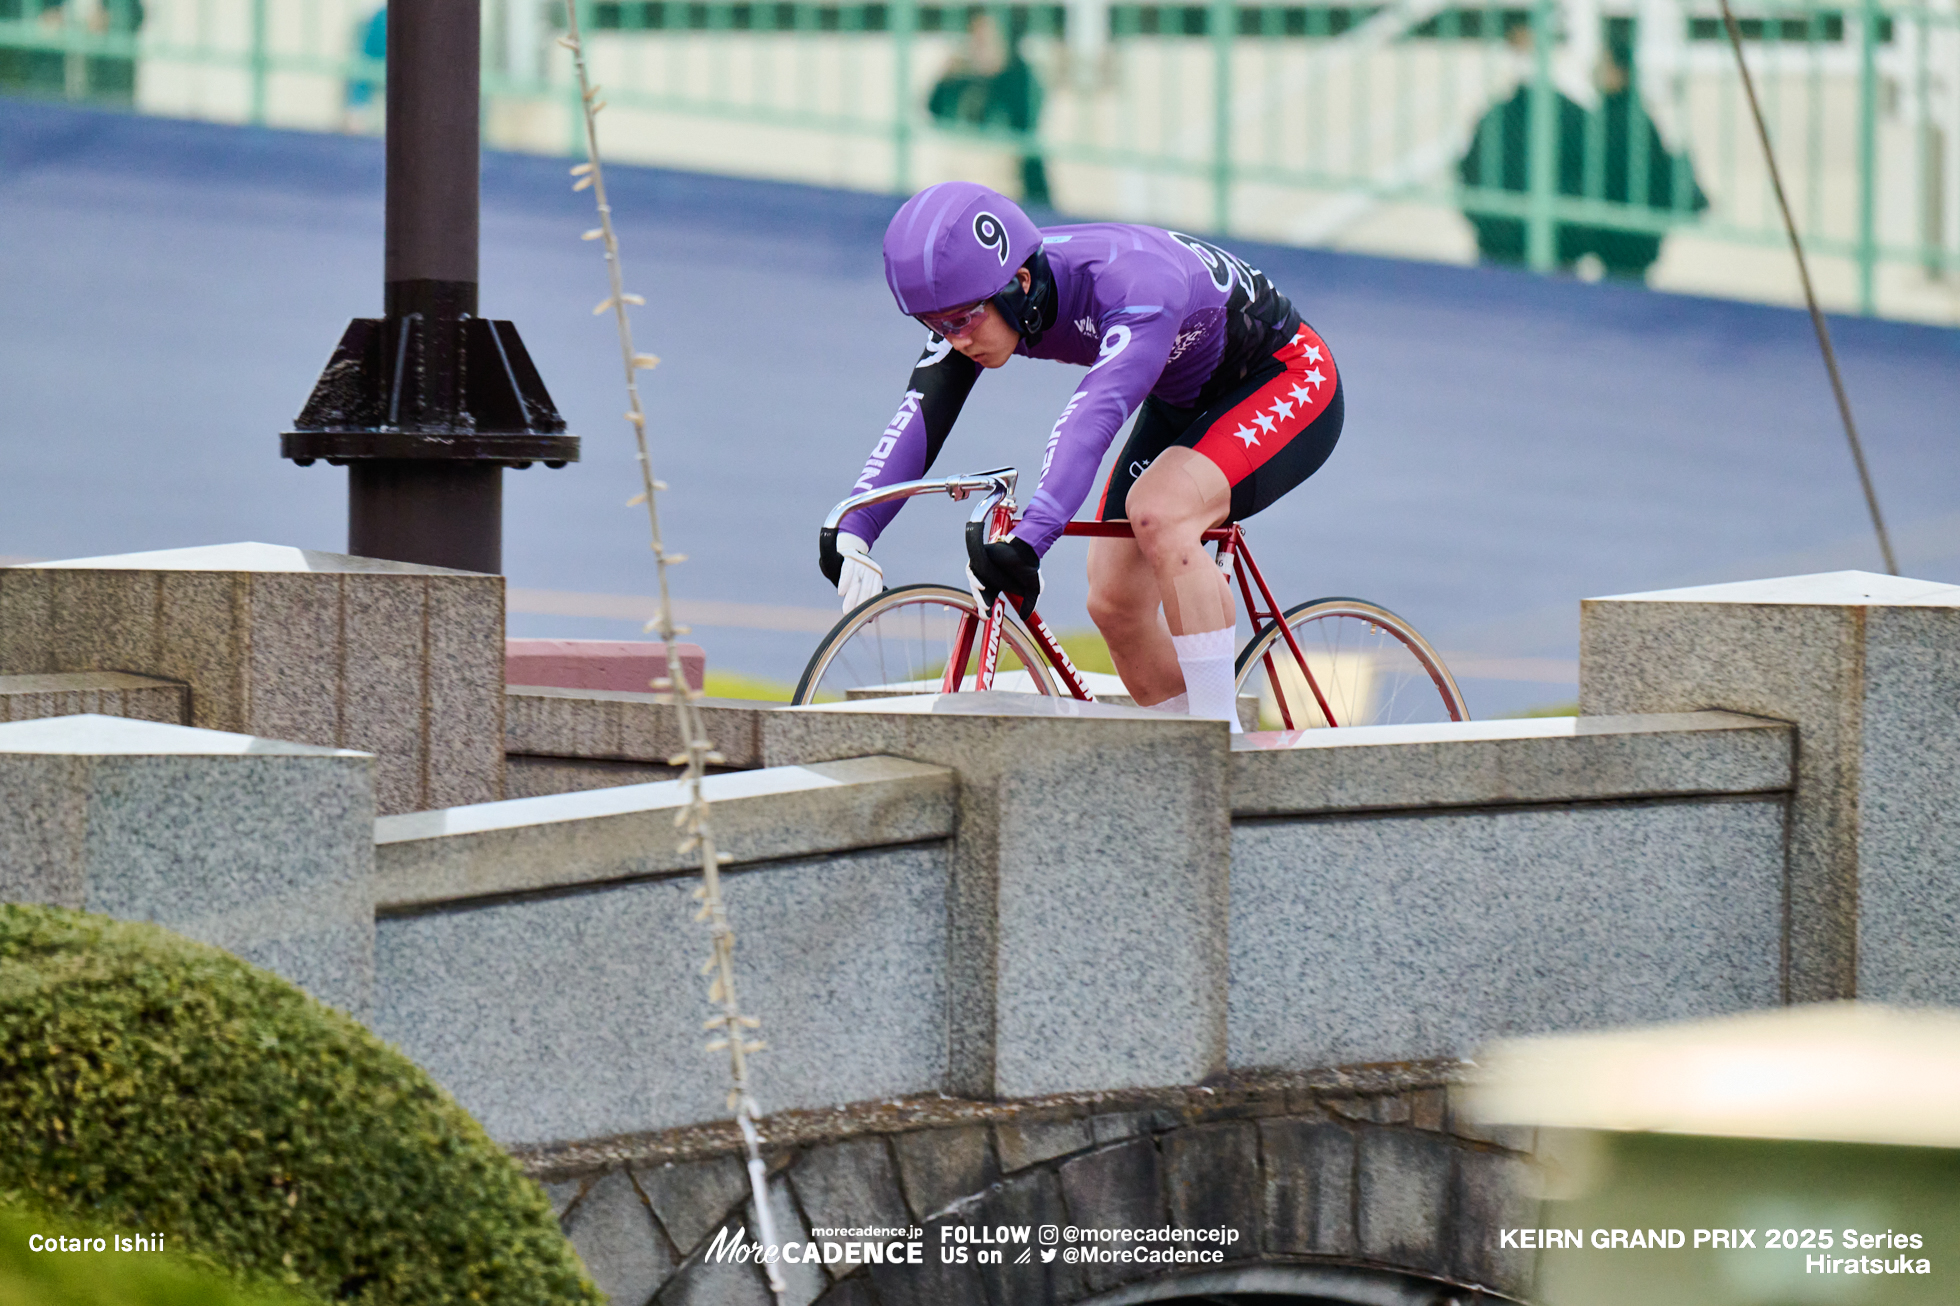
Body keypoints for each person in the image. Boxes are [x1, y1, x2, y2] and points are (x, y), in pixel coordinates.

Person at [820, 181, 1343, 731]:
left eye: (960, 321)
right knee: (1114, 601)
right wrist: (857, 522)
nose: (954, 340)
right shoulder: (983, 293)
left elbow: (1093, 417)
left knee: (1161, 513)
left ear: (1019, 283)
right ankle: (1188, 749)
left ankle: (1218, 746)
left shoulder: (1133, 286)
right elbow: (922, 410)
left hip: (1287, 378)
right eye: (934, 326)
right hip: (1182, 393)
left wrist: (1031, 539)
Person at [1458, 23, 1706, 279]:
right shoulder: (1585, 117)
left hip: (1504, 246)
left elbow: (1467, 174)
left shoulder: (1496, 116)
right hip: (1567, 249)